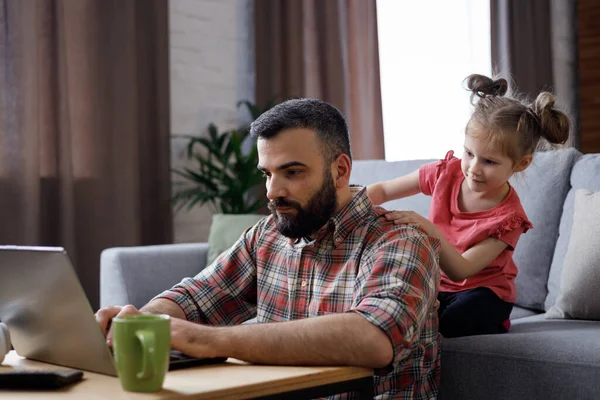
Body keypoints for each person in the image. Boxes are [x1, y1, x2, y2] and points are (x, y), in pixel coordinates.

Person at [96, 98, 442, 399]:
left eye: (292, 172)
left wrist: (208, 340)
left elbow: (374, 338)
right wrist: (144, 321)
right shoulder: (266, 236)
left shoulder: (400, 239)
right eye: (267, 174)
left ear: (339, 170)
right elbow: (197, 296)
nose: (272, 191)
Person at [367, 74, 571, 338]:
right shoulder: (445, 173)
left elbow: (462, 269)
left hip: (484, 292)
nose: (473, 169)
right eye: (469, 153)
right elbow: (383, 190)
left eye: (489, 162)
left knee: (453, 320)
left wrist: (426, 228)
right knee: (393, 309)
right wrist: (346, 202)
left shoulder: (509, 218)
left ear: (522, 164)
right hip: (439, 286)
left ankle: (493, 322)